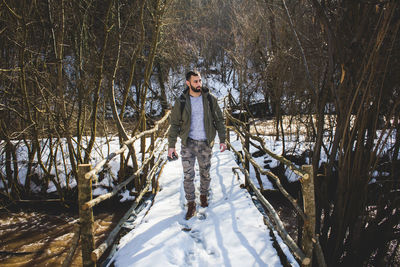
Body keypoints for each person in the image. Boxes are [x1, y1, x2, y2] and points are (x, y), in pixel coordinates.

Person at [168, 70, 227, 220]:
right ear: (188, 83)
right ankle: (191, 204)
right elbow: (174, 124)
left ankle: (203, 195)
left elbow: (219, 120)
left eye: (200, 81)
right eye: (195, 81)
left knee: (205, 173)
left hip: (206, 143)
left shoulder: (210, 100)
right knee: (188, 176)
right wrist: (171, 145)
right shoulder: (181, 101)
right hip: (188, 143)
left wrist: (222, 139)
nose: (199, 84)